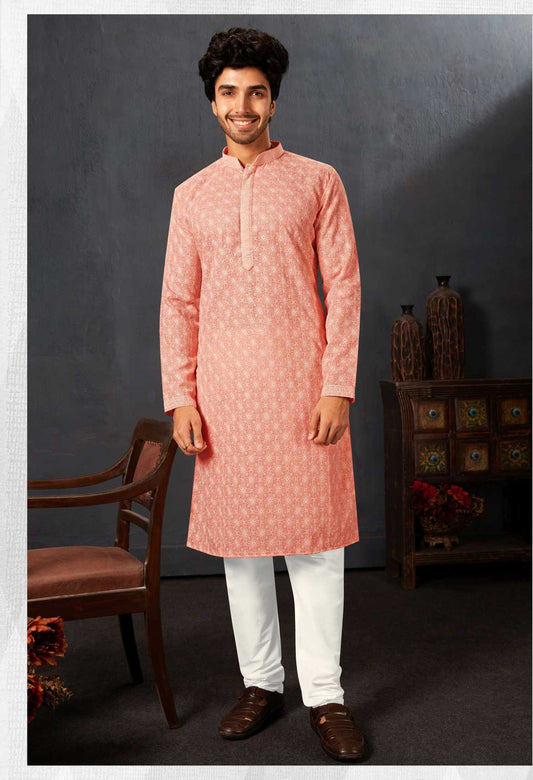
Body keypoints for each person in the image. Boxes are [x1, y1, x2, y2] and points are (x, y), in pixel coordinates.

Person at [159, 26, 364, 762]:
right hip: (224, 399)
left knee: (316, 549)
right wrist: (182, 397)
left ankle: (326, 696)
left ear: (273, 100)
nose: (241, 106)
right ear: (211, 101)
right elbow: (178, 303)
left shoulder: (317, 180)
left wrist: (337, 387)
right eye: (228, 93)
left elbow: (344, 288)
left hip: (304, 390)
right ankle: (261, 684)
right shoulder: (191, 195)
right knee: (241, 553)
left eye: (255, 92)